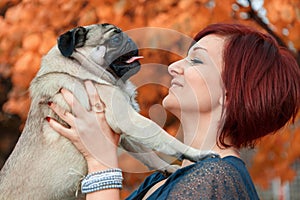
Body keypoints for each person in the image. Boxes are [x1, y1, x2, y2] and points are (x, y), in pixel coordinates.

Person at [46, 23, 300, 199]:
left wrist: (100, 162)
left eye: (196, 60)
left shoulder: (216, 178)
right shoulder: (164, 179)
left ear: (231, 92)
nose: (174, 66)